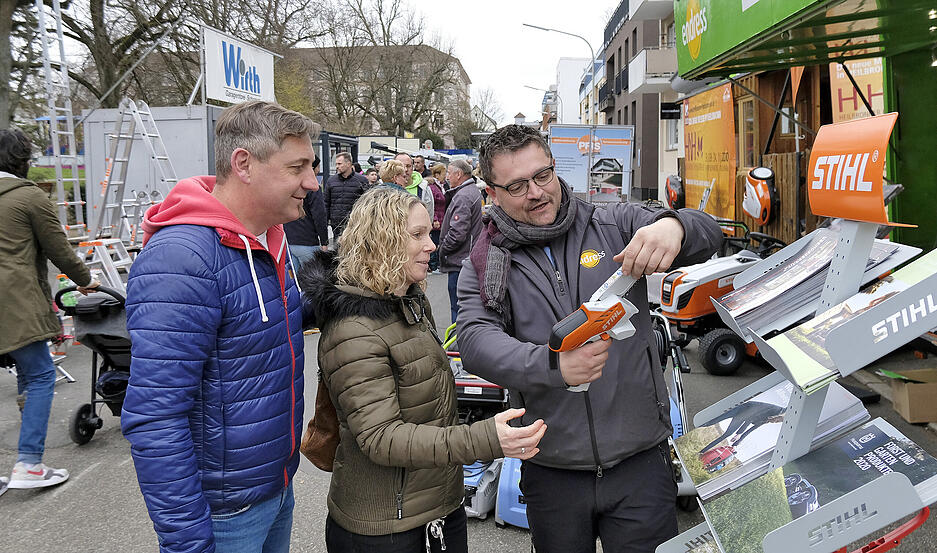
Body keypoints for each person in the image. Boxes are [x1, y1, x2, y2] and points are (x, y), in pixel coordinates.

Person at [457, 125, 723, 553]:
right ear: (492, 193)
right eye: (517, 185)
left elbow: (708, 233)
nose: (537, 192)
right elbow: (474, 339)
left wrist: (675, 227)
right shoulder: (487, 261)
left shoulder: (613, 221)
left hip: (641, 463)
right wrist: (552, 365)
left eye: (543, 175)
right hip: (552, 470)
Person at [298, 187, 546, 553]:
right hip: (385, 529)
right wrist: (485, 439)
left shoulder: (408, 302)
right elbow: (381, 438)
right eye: (416, 235)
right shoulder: (354, 330)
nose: (432, 244)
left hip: (437, 510)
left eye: (429, 232)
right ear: (380, 242)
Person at [121, 101, 317, 553]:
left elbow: (260, 330)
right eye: (297, 167)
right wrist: (187, 540)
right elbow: (156, 417)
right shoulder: (183, 260)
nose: (311, 182)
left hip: (273, 486)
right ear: (244, 164)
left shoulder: (267, 237)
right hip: (223, 514)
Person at [0, 128, 98, 491]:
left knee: (28, 376)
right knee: (41, 375)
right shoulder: (28, 197)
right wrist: (86, 279)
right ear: (23, 160)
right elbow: (59, 249)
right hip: (13, 301)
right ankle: (29, 464)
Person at [439, 159, 482, 324]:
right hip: (463, 258)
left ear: (458, 174)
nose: (447, 177)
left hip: (459, 261)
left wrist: (443, 249)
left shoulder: (463, 196)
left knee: (458, 310)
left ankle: (457, 345)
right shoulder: (469, 192)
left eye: (449, 173)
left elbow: (457, 233)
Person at [284, 154, 329, 268]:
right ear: (313, 168)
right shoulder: (313, 188)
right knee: (312, 280)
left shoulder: (288, 186)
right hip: (307, 241)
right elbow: (319, 216)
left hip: (289, 241)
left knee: (294, 280)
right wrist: (324, 241)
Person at [324, 152, 369, 239]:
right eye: (336, 164)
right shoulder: (331, 181)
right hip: (336, 225)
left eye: (339, 164)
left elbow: (366, 203)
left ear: (348, 164)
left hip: (355, 225)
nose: (337, 166)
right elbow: (326, 203)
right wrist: (325, 224)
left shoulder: (361, 180)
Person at [394, 152, 434, 217]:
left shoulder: (423, 188)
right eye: (401, 166)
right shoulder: (386, 188)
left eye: (408, 166)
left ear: (412, 167)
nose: (405, 169)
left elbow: (429, 215)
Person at [425, 170, 446, 274]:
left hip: (440, 218)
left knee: (436, 242)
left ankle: (434, 264)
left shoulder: (439, 186)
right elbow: (432, 205)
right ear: (437, 175)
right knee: (434, 243)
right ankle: (433, 265)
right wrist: (435, 219)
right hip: (436, 220)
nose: (445, 176)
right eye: (444, 173)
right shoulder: (432, 188)